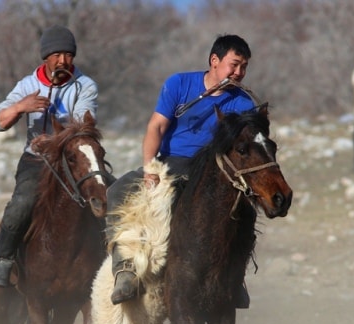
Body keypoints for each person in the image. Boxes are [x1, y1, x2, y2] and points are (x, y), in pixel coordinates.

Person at [108, 34, 257, 305]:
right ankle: (125, 269)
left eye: (244, 67)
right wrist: (150, 168)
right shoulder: (178, 83)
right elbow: (156, 127)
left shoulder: (244, 104)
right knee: (116, 191)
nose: (239, 72)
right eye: (234, 65)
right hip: (170, 162)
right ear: (215, 60)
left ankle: (235, 278)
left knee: (246, 210)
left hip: (214, 169)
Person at [0, 25, 99, 287]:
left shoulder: (85, 85)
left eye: (69, 55)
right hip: (36, 162)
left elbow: (83, 122)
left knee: (108, 196)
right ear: (45, 57)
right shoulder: (27, 85)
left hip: (74, 160)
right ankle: (3, 259)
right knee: (21, 203)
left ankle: (116, 264)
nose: (63, 61)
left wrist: (52, 141)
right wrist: (20, 107)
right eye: (57, 55)